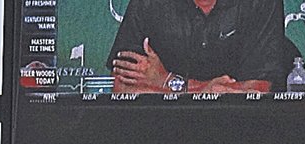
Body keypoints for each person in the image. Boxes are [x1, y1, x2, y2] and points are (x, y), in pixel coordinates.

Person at [106, 0, 291, 94]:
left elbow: (258, 89)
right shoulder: (147, 4)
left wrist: (166, 82)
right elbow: (122, 89)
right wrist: (202, 91)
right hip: (162, 133)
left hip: (237, 133)